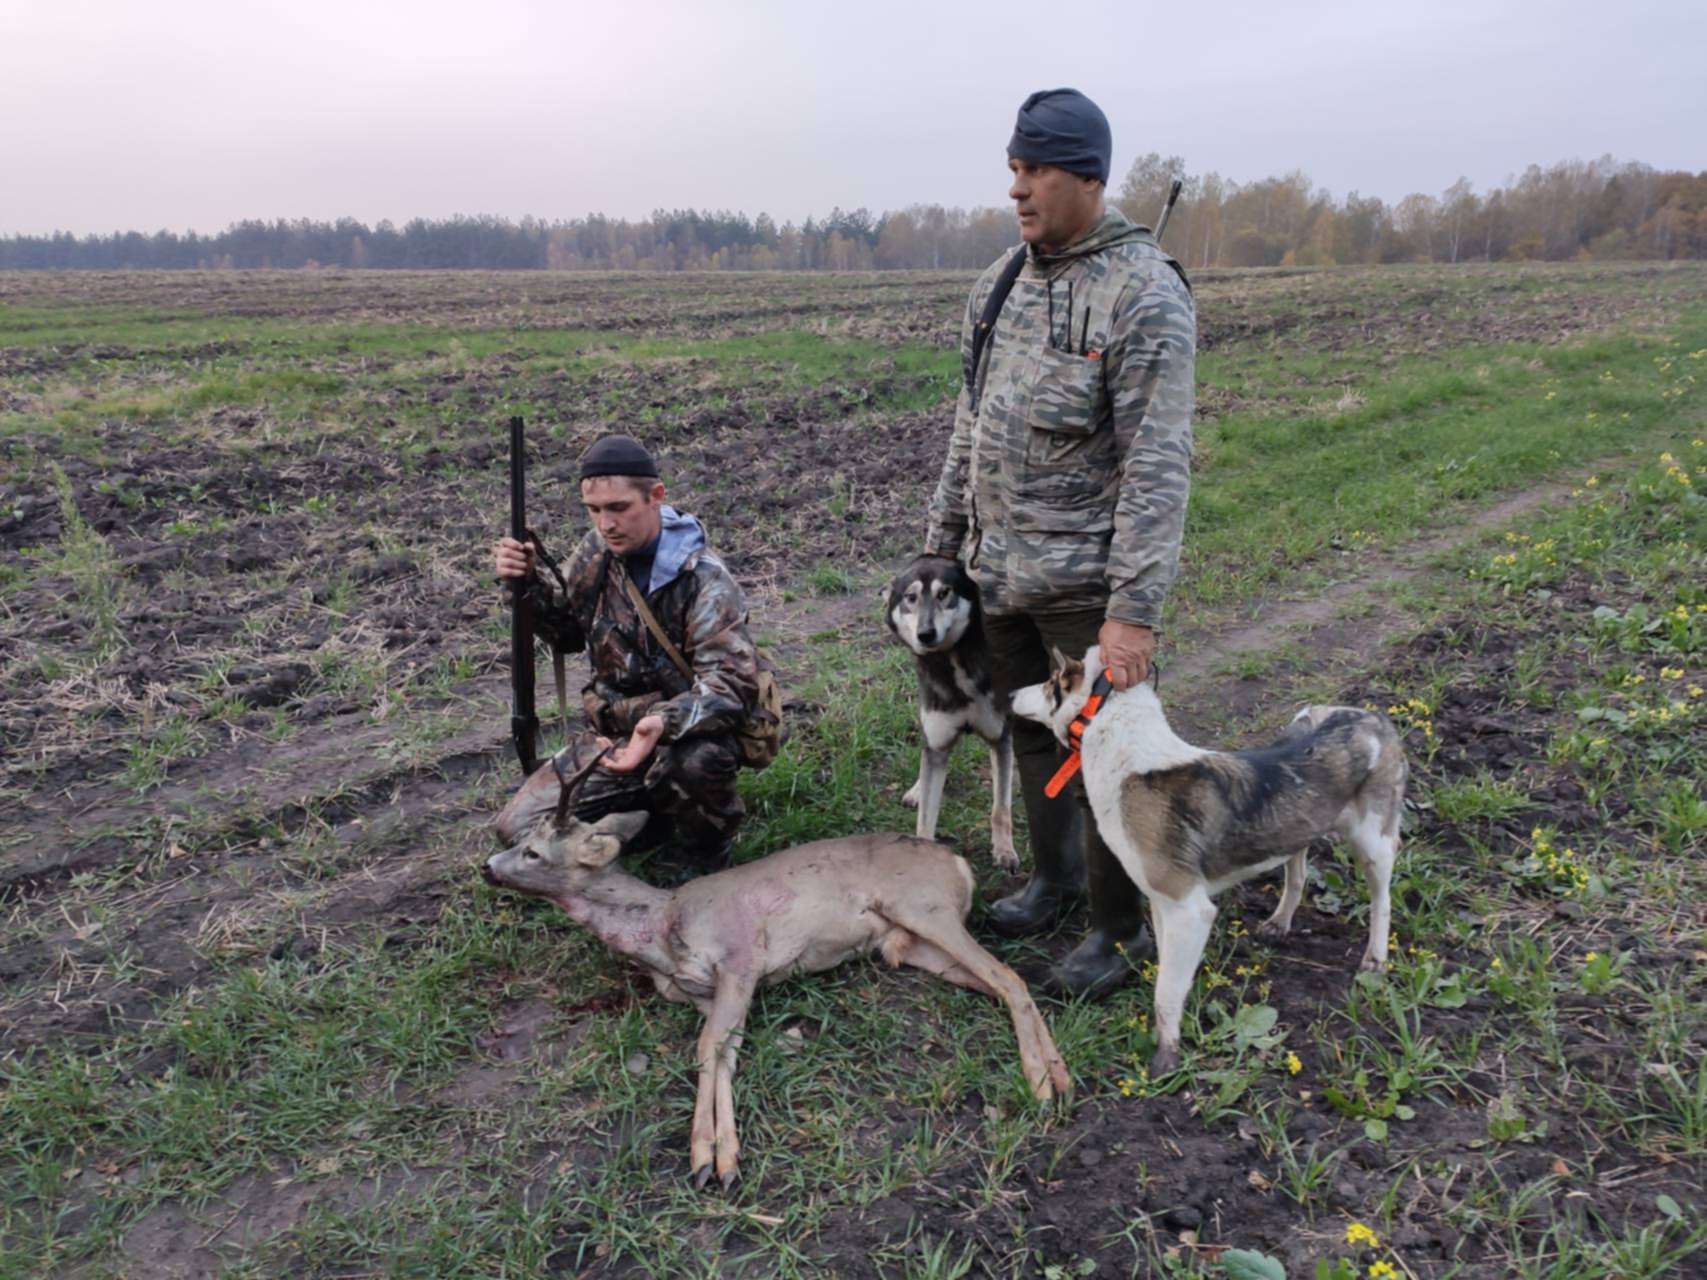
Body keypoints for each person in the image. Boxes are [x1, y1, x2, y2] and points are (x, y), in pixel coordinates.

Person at [923, 88, 1196, 997]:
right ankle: (1055, 879)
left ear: (1088, 176)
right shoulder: (1001, 282)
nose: (1017, 189)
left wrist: (1132, 615)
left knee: (1111, 764)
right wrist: (942, 543)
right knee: (1035, 740)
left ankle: (1122, 930)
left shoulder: (1143, 293)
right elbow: (969, 421)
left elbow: (1158, 468)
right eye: (1011, 168)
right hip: (999, 575)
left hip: (1087, 590)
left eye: (1035, 169)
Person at [491, 433, 760, 875]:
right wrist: (524, 584)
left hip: (680, 735)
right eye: (594, 510)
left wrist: (659, 724)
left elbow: (731, 685)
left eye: (619, 508)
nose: (606, 523)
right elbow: (567, 635)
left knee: (696, 764)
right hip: (615, 739)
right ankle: (653, 815)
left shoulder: (705, 580)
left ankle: (705, 848)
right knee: (515, 828)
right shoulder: (596, 554)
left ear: (656, 497)